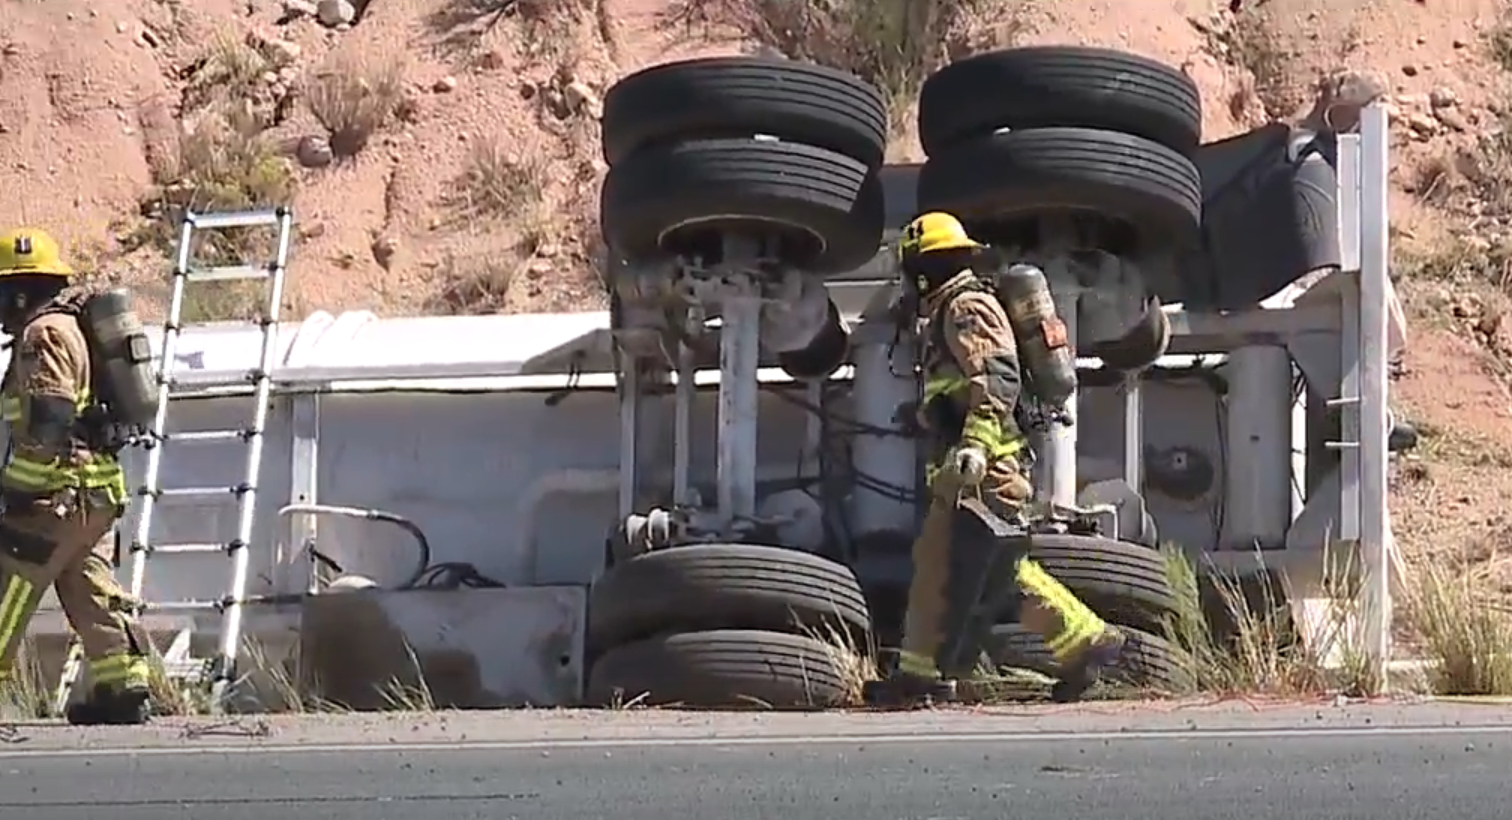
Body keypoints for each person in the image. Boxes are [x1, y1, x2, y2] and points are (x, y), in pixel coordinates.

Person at [865, 212, 1125, 705]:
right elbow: (959, 388)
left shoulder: (966, 307)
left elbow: (997, 376)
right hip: (967, 469)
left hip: (986, 470)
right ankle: (1084, 644)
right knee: (982, 571)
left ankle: (923, 679)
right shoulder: (949, 310)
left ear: (924, 270)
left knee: (952, 567)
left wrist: (975, 446)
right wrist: (928, 417)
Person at [0, 227, 151, 725]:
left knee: (9, 581)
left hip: (57, 492)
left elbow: (50, 416)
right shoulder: (76, 329)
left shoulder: (42, 334)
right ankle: (122, 684)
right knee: (88, 585)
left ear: (20, 292)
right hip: (96, 491)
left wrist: (18, 488)